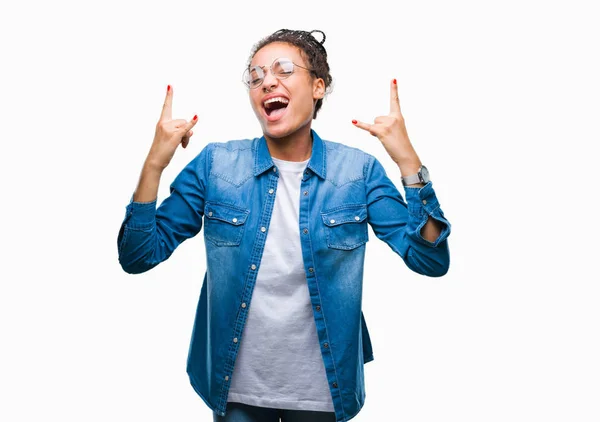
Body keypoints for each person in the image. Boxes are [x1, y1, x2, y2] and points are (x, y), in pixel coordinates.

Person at [117, 28, 451, 422]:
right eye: (255, 75)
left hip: (324, 395)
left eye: (284, 69)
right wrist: (154, 165)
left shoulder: (358, 172)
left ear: (318, 87)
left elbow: (429, 261)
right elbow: (138, 256)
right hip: (235, 391)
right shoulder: (216, 165)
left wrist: (408, 162)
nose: (267, 81)